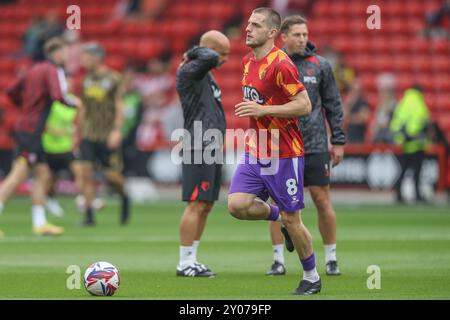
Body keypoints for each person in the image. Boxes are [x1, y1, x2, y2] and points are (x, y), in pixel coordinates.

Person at [227, 8, 320, 295]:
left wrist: (263, 109)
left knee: (295, 221)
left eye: (255, 25)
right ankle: (278, 216)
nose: (247, 28)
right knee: (237, 205)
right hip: (258, 149)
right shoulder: (246, 62)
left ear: (271, 33)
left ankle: (312, 277)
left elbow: (305, 105)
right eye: (248, 23)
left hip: (285, 153)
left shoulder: (281, 64)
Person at [264, 15, 346, 278]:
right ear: (283, 36)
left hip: (314, 145)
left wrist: (338, 141)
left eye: (305, 34)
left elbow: (333, 104)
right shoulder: (272, 64)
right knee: (277, 204)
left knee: (322, 200)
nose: (302, 39)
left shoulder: (320, 66)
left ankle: (331, 258)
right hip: (281, 145)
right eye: (297, 34)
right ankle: (278, 260)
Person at [0, 37, 82, 236]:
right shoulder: (53, 70)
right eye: (65, 52)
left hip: (26, 126)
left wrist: (26, 107)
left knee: (42, 174)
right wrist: (75, 104)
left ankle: (40, 223)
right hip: (31, 130)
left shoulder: (32, 69)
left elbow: (11, 91)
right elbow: (58, 95)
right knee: (18, 174)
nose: (66, 57)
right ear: (58, 52)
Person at [175, 30, 230, 277]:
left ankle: (193, 259)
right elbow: (207, 55)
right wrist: (195, 51)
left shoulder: (204, 74)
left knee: (206, 204)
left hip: (210, 145)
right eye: (223, 54)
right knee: (196, 203)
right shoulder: (190, 70)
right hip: (197, 144)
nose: (226, 59)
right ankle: (184, 263)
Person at [78, 42, 130, 226]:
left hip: (107, 135)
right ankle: (89, 215)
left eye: (85, 57)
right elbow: (83, 106)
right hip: (89, 134)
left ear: (96, 57)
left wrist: (116, 130)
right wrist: (78, 130)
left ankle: (125, 197)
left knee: (112, 177)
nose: (83, 61)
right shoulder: (86, 80)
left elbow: (119, 105)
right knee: (85, 173)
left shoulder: (114, 79)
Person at [390, 85, 430, 203]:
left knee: (402, 170)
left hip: (404, 144)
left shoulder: (403, 102)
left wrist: (402, 137)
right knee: (417, 172)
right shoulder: (419, 103)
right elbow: (422, 122)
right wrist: (414, 135)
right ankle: (417, 194)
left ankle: (398, 194)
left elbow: (395, 122)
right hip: (417, 144)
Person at [344, 79, 369, 143]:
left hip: (359, 136)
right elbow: (344, 116)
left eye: (357, 91)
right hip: (350, 135)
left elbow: (362, 119)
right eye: (353, 90)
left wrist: (350, 118)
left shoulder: (363, 102)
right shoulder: (349, 102)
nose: (355, 93)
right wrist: (350, 103)